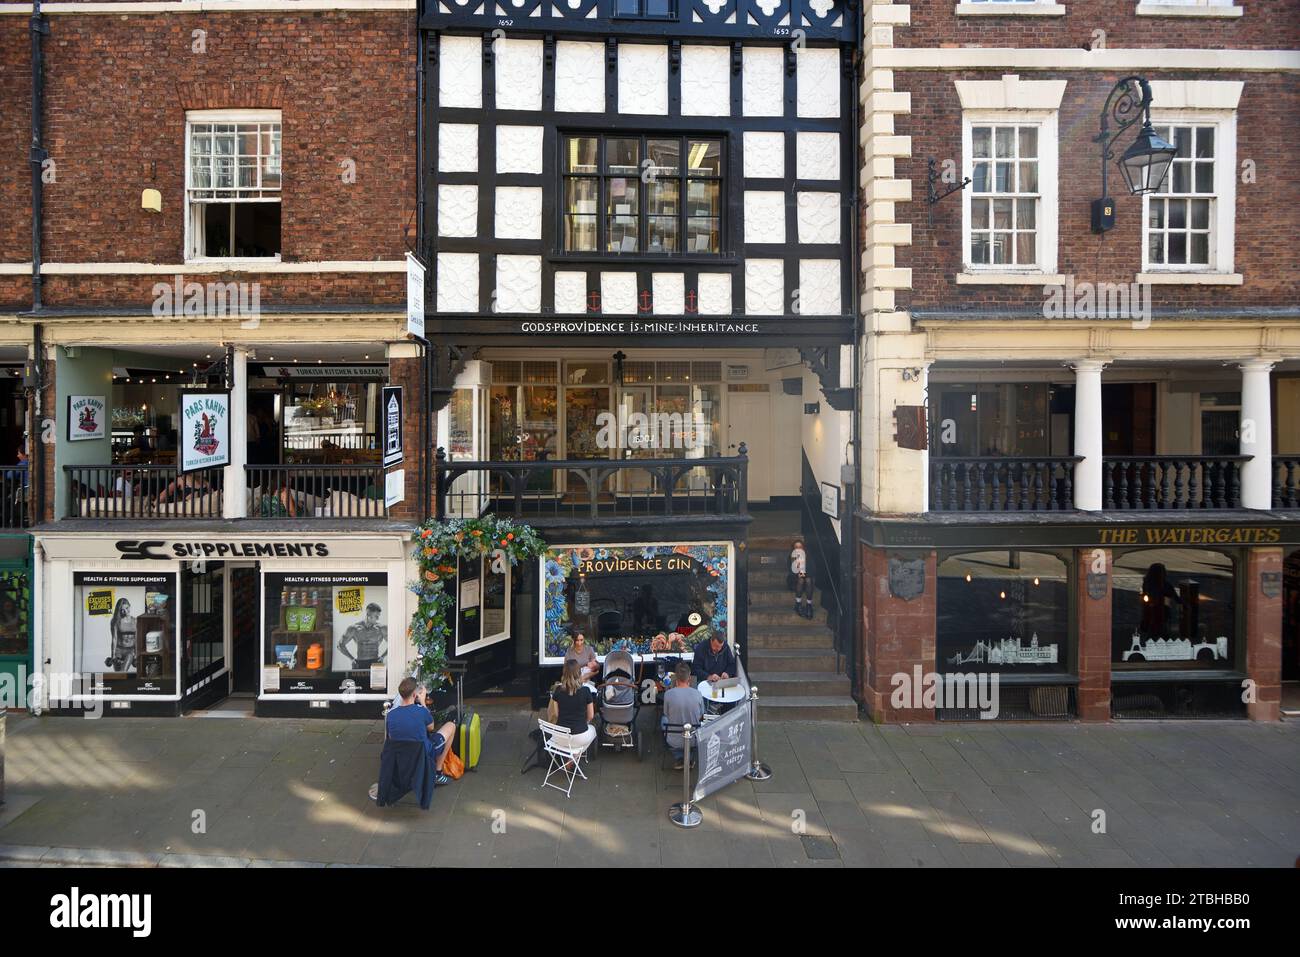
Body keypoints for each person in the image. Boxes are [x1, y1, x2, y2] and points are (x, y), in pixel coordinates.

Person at [375, 678, 457, 802]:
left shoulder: (391, 715)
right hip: (423, 754)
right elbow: (431, 727)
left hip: (401, 757)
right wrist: (423, 702)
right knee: (451, 726)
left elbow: (391, 738)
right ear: (414, 695)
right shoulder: (421, 712)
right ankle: (437, 773)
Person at [547, 660, 596, 757]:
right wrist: (583, 722)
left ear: (564, 673)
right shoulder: (586, 691)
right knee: (593, 730)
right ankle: (574, 757)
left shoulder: (558, 690)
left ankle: (571, 758)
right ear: (579, 673)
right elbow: (591, 716)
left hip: (560, 738)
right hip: (579, 737)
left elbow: (556, 714)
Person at [661, 662, 705, 770]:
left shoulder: (668, 694)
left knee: (663, 719)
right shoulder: (698, 694)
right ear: (689, 678)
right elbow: (701, 715)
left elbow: (666, 714)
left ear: (675, 677)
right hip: (693, 739)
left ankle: (680, 757)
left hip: (673, 739)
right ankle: (689, 757)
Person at [339, 602, 387, 669]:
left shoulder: (382, 628)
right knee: (358, 680)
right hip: (359, 662)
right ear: (368, 614)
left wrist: (383, 656)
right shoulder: (354, 628)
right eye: (376, 616)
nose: (378, 619)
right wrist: (351, 659)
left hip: (376, 661)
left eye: (378, 616)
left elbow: (393, 643)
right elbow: (340, 645)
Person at [106, 597, 137, 672]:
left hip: (130, 650)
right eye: (122, 610)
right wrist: (113, 655)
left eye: (127, 608)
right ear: (119, 610)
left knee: (123, 671)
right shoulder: (116, 621)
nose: (125, 611)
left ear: (129, 606)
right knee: (118, 674)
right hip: (119, 650)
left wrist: (136, 652)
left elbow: (137, 638)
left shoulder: (135, 621)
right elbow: (114, 639)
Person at [791, 539, 815, 619]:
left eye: (800, 546)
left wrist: (804, 574)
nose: (798, 548)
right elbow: (791, 571)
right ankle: (798, 604)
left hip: (807, 581)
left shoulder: (808, 556)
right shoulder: (792, 557)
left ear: (803, 547)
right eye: (796, 547)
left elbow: (812, 569)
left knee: (808, 580)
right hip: (795, 581)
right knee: (801, 579)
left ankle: (809, 605)